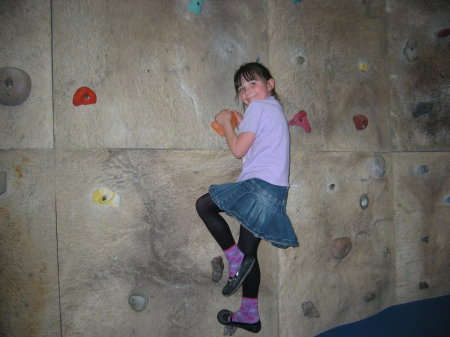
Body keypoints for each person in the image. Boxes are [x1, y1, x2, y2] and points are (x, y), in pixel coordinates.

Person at [196, 62, 299, 333]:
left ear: (270, 84)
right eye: (241, 89)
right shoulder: (274, 109)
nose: (247, 92)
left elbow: (239, 150)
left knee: (204, 206)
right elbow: (257, 139)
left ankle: (233, 258)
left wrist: (225, 124)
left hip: (259, 188)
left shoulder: (258, 108)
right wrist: (239, 122)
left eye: (252, 84)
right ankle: (249, 315)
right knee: (249, 253)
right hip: (274, 191)